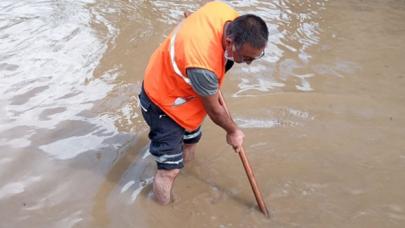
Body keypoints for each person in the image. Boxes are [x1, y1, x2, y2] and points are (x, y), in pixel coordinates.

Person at [138, 1, 268, 205]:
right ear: (229, 41)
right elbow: (215, 111)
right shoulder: (202, 65)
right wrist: (233, 131)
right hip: (163, 102)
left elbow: (201, 12)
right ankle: (163, 211)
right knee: (169, 170)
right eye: (245, 57)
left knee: (191, 140)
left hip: (187, 96)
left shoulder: (222, 11)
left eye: (255, 57)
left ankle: (187, 178)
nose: (248, 63)